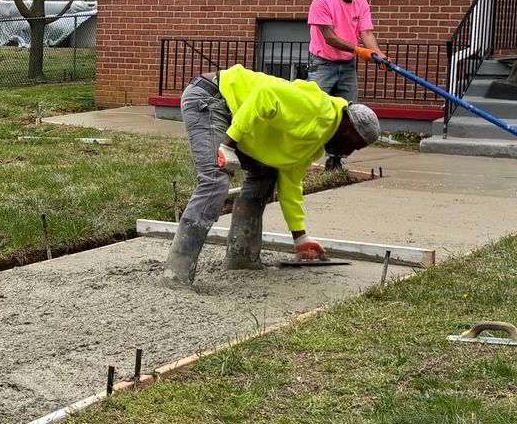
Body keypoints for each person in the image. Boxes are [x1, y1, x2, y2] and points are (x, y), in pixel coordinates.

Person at [162, 64, 381, 286]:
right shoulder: (317, 109)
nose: (349, 152)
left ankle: (241, 258)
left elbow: (291, 183)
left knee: (266, 174)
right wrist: (228, 145)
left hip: (239, 114)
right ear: (347, 128)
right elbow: (264, 96)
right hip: (212, 98)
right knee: (215, 180)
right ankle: (176, 273)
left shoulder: (316, 143)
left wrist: (300, 236)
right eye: (353, 145)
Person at [308, 0, 382, 170]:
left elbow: (366, 32)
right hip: (322, 64)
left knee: (347, 115)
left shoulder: (361, 3)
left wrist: (377, 54)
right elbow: (329, 37)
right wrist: (359, 51)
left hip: (348, 67)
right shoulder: (322, 1)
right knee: (312, 109)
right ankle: (300, 153)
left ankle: (335, 159)